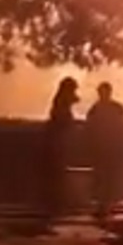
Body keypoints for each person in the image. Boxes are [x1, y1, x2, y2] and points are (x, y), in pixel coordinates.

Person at [84, 82, 123, 222]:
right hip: (103, 150)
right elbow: (90, 130)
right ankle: (104, 206)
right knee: (103, 179)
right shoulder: (111, 109)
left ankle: (105, 206)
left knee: (108, 179)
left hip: (109, 150)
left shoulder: (104, 109)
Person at [39, 76, 79, 223]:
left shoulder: (60, 101)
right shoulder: (61, 103)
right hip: (57, 143)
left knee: (57, 172)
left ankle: (56, 203)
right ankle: (56, 204)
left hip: (58, 142)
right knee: (57, 172)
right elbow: (62, 120)